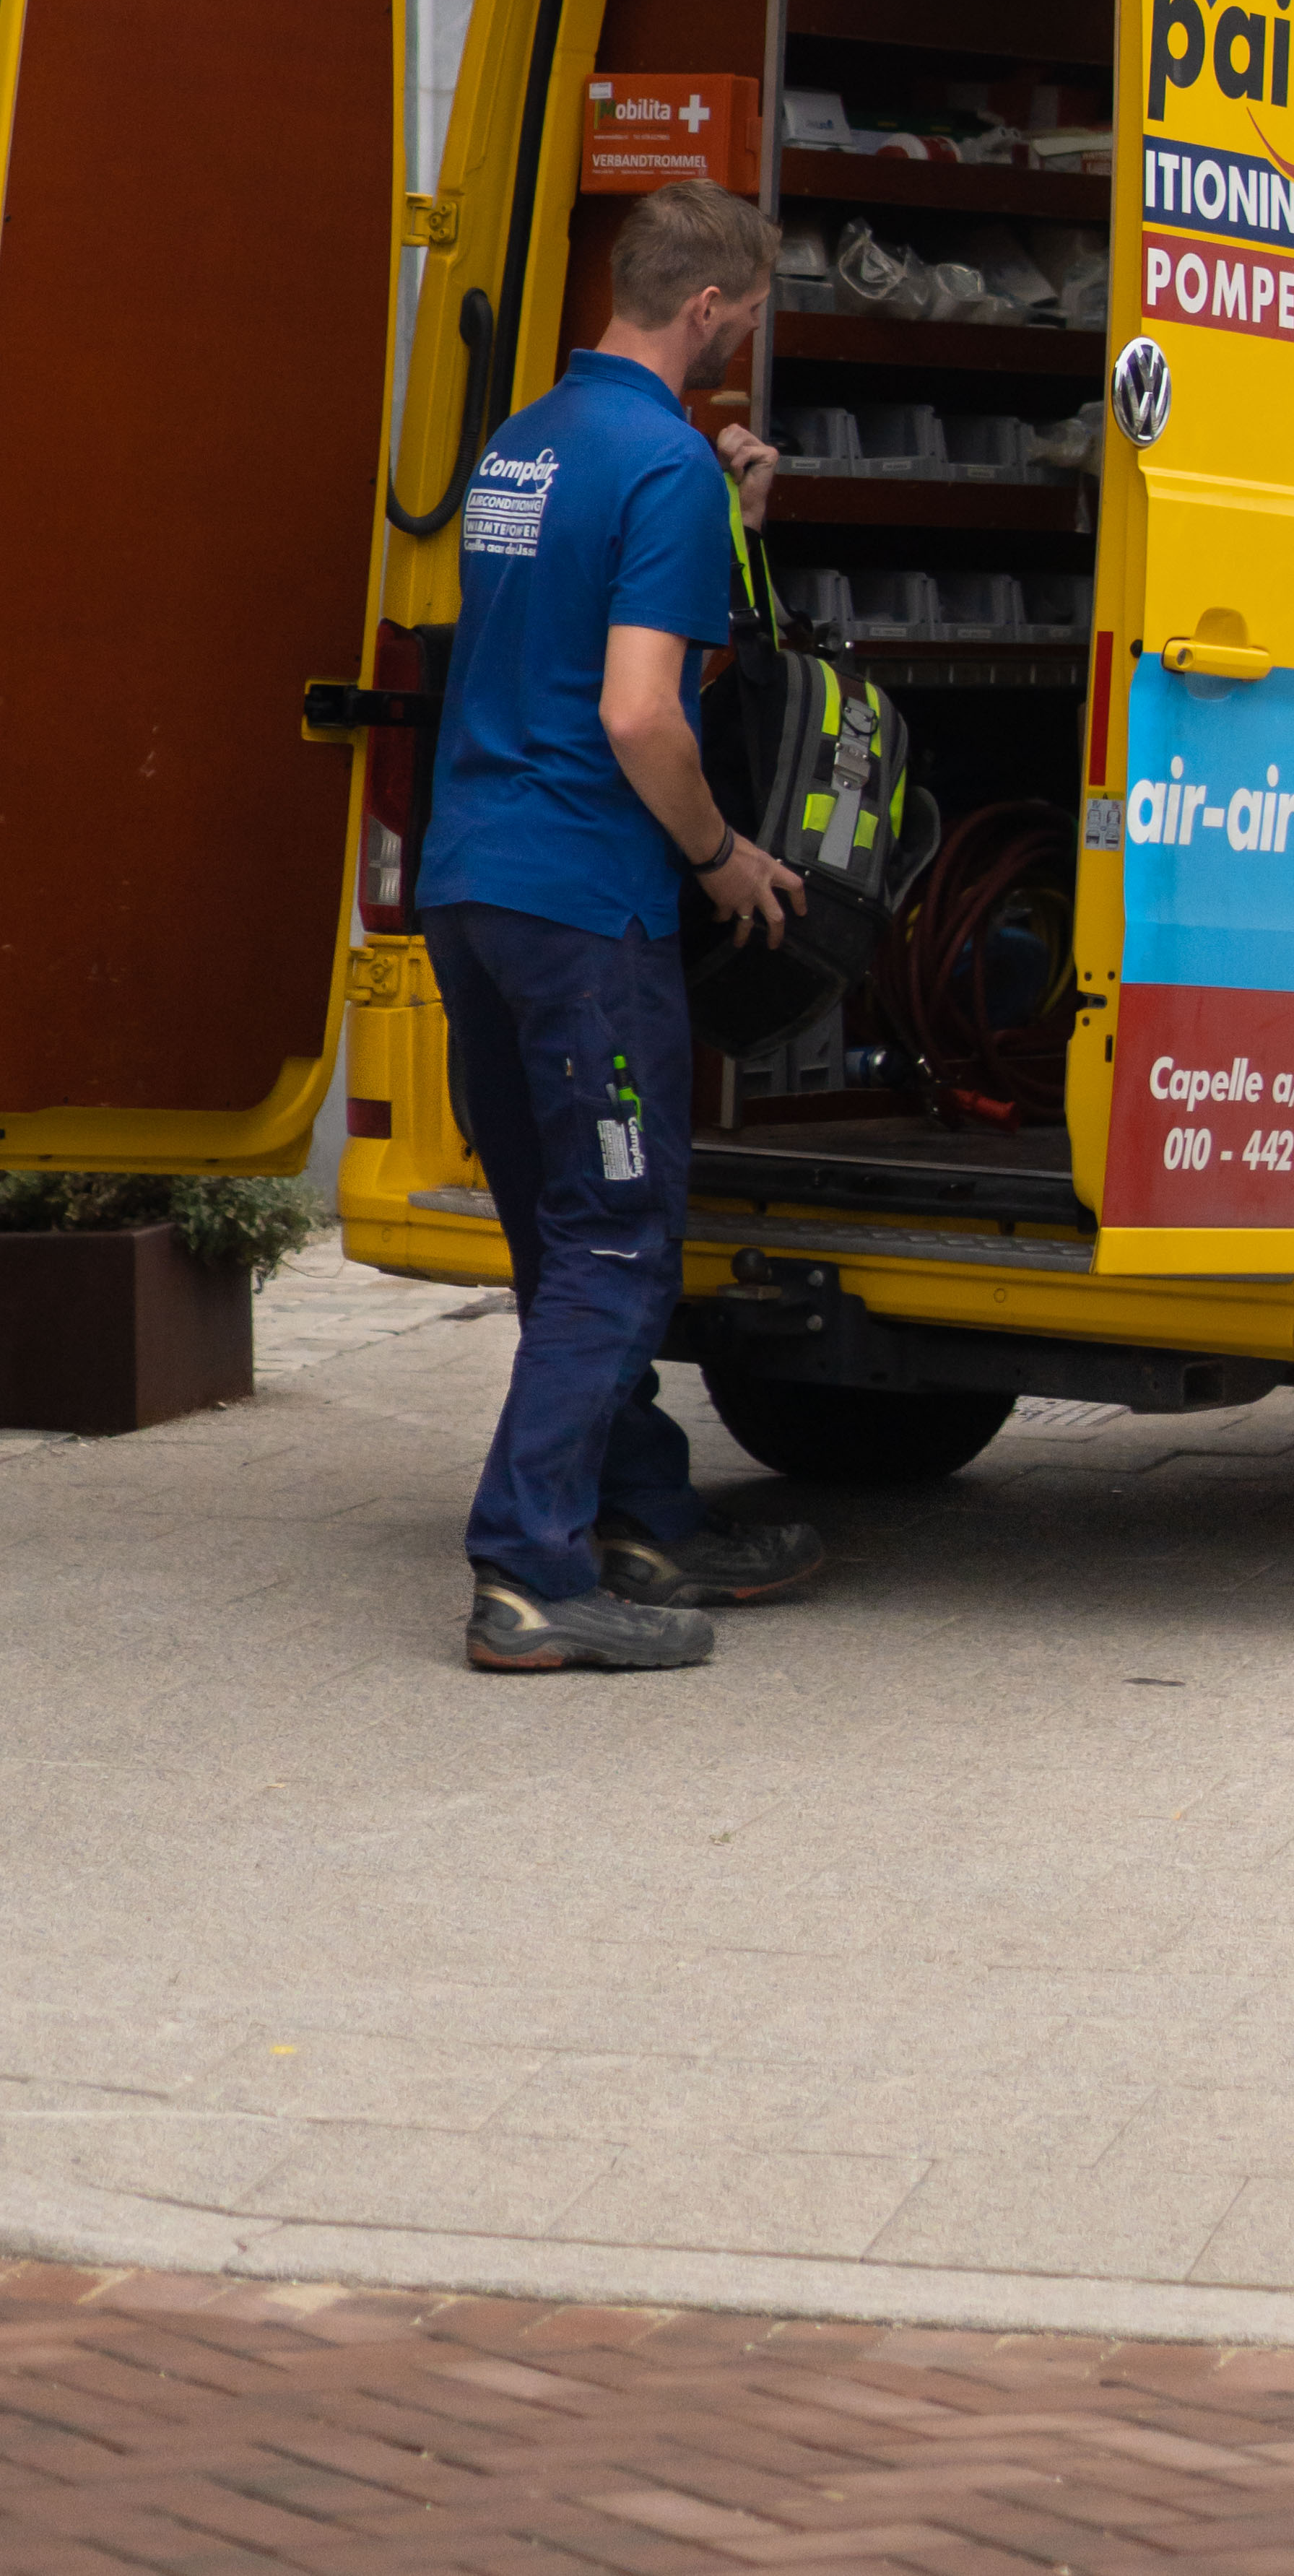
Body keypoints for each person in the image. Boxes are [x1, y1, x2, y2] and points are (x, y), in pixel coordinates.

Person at [416, 175, 834, 1673]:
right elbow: (640, 711)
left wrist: (729, 521)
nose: (747, 337)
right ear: (708, 305)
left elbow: (557, 630)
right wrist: (720, 855)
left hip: (471, 882)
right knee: (617, 1236)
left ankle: (641, 1518)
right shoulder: (667, 467)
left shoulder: (524, 439)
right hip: (585, 902)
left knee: (560, 1229)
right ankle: (528, 1574)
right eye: (751, 314)